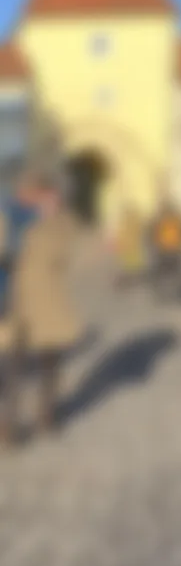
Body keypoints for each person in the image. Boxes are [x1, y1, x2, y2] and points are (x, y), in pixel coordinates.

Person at [0, 168, 83, 446]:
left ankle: (45, 416)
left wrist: (50, 222)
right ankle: (9, 426)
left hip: (49, 303)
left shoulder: (60, 223)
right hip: (18, 302)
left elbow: (66, 255)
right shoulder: (11, 219)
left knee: (50, 363)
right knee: (14, 367)